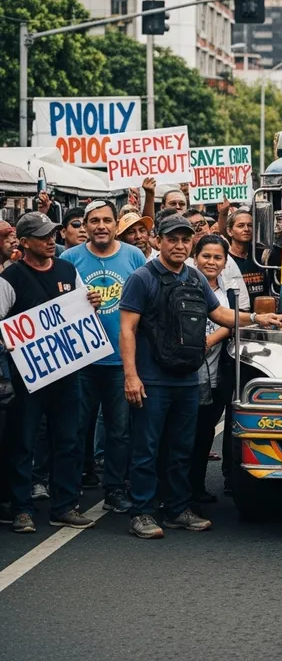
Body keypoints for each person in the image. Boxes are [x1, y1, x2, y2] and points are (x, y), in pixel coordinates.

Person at [119, 214, 282, 539]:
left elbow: (221, 314)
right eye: (172, 239)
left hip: (186, 378)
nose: (179, 245)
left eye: (184, 239)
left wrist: (258, 318)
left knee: (183, 447)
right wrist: (131, 376)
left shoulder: (193, 278)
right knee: (146, 449)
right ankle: (142, 512)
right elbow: (127, 329)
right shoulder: (142, 278)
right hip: (152, 379)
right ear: (159, 241)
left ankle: (178, 509)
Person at [0, 212, 101, 533]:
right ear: (24, 242)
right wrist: (10, 339)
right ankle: (21, 509)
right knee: (23, 442)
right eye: (43, 236)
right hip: (27, 377)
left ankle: (64, 506)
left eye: (53, 234)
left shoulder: (68, 270)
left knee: (69, 440)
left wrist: (92, 302)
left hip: (67, 374)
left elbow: (82, 308)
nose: (50, 240)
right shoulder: (9, 279)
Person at [62, 200, 147, 515]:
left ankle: (114, 489)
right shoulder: (69, 258)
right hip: (80, 362)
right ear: (85, 225)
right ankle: (69, 495)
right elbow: (55, 308)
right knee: (75, 430)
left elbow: (144, 301)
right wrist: (78, 303)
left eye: (106, 220)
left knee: (118, 431)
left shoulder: (134, 256)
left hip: (120, 363)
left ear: (115, 224)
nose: (100, 226)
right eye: (94, 220)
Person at [188, 235, 249, 503]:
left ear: (225, 263)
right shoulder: (185, 283)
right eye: (206, 256)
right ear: (195, 257)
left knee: (204, 433)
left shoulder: (230, 290)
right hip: (187, 371)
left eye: (217, 258)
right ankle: (175, 492)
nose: (211, 262)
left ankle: (197, 487)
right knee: (181, 434)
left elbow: (236, 318)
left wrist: (212, 339)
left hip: (219, 370)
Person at [226, 209, 265, 310]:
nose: (246, 229)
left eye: (250, 225)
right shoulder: (225, 259)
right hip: (236, 315)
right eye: (240, 226)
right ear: (229, 231)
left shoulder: (263, 255)